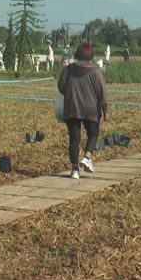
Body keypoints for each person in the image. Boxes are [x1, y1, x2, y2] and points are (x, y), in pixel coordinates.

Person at [58, 43, 109, 179]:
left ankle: (74, 170)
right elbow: (101, 92)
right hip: (90, 109)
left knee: (74, 139)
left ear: (77, 55)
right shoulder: (95, 72)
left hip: (71, 108)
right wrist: (105, 109)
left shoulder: (68, 70)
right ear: (91, 56)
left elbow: (61, 87)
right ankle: (87, 157)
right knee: (93, 133)